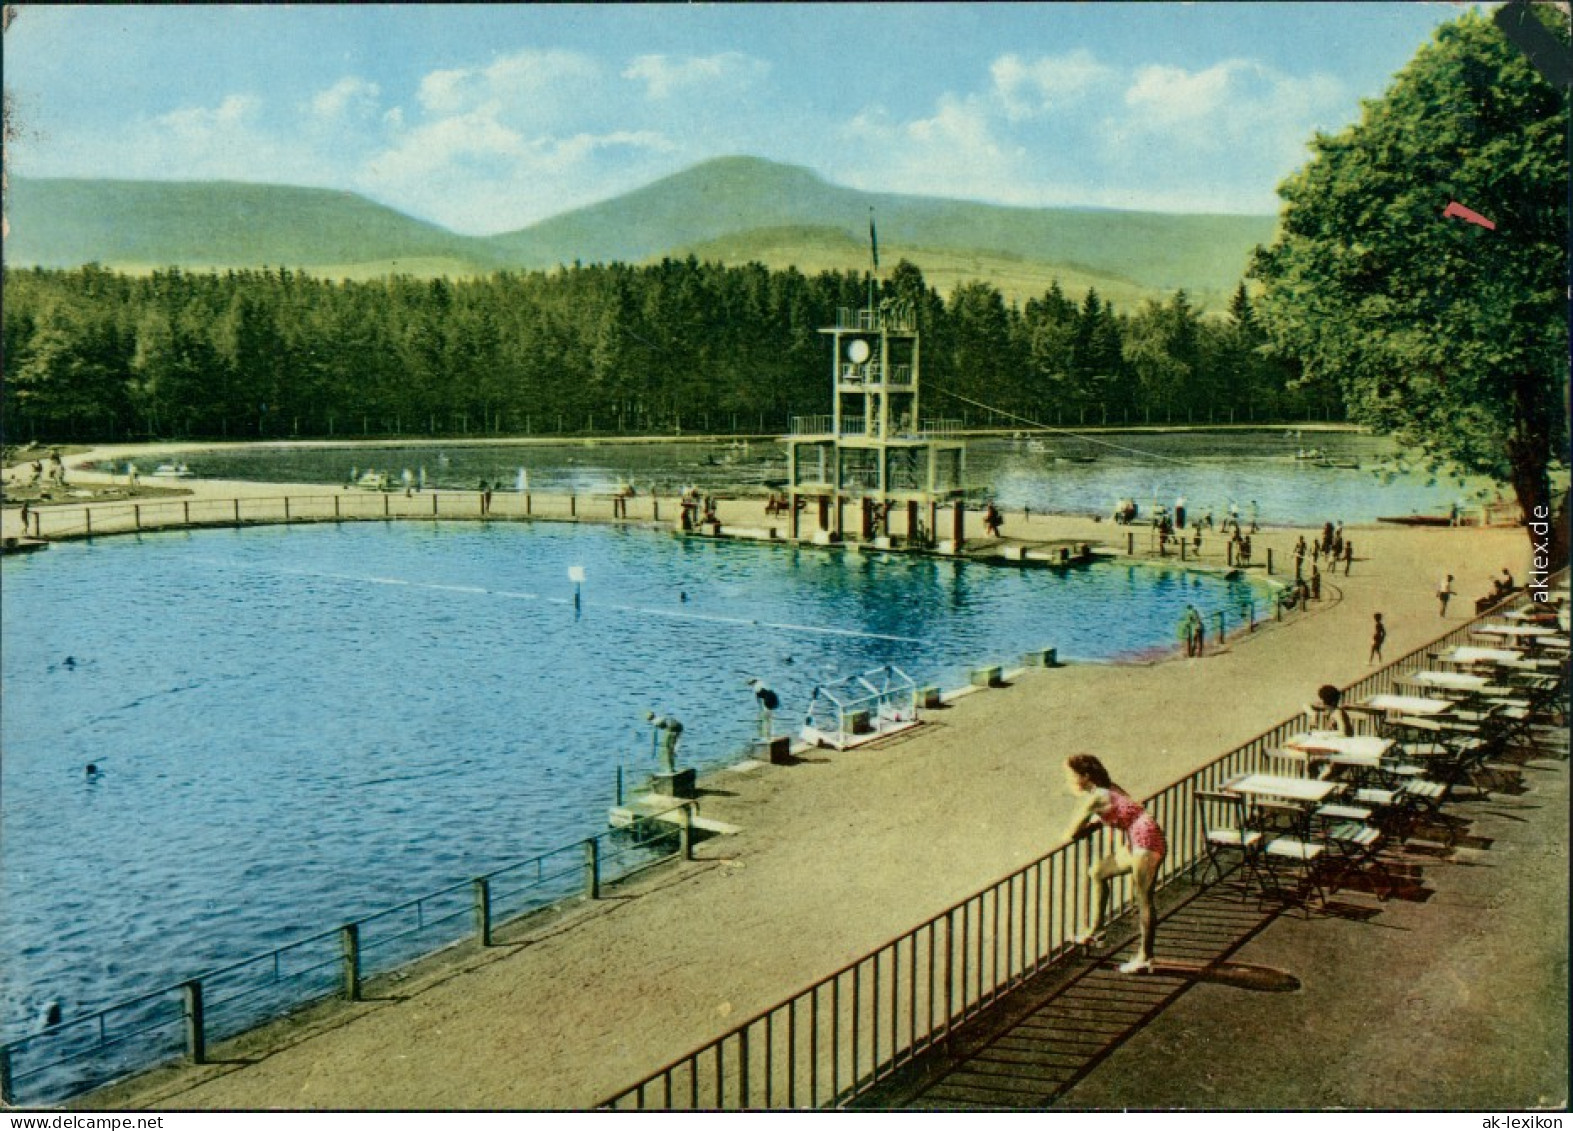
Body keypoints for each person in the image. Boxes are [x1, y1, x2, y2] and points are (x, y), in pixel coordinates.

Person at [1060, 754, 1166, 975]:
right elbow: (1130, 807)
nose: (1069, 781)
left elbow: (1071, 833)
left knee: (1144, 899)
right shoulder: (1109, 788)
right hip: (1139, 836)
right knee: (1098, 871)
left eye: (1072, 777)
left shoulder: (1095, 798)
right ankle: (1097, 929)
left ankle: (1145, 957)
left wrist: (1087, 826)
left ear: (1086, 777)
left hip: (1144, 840)